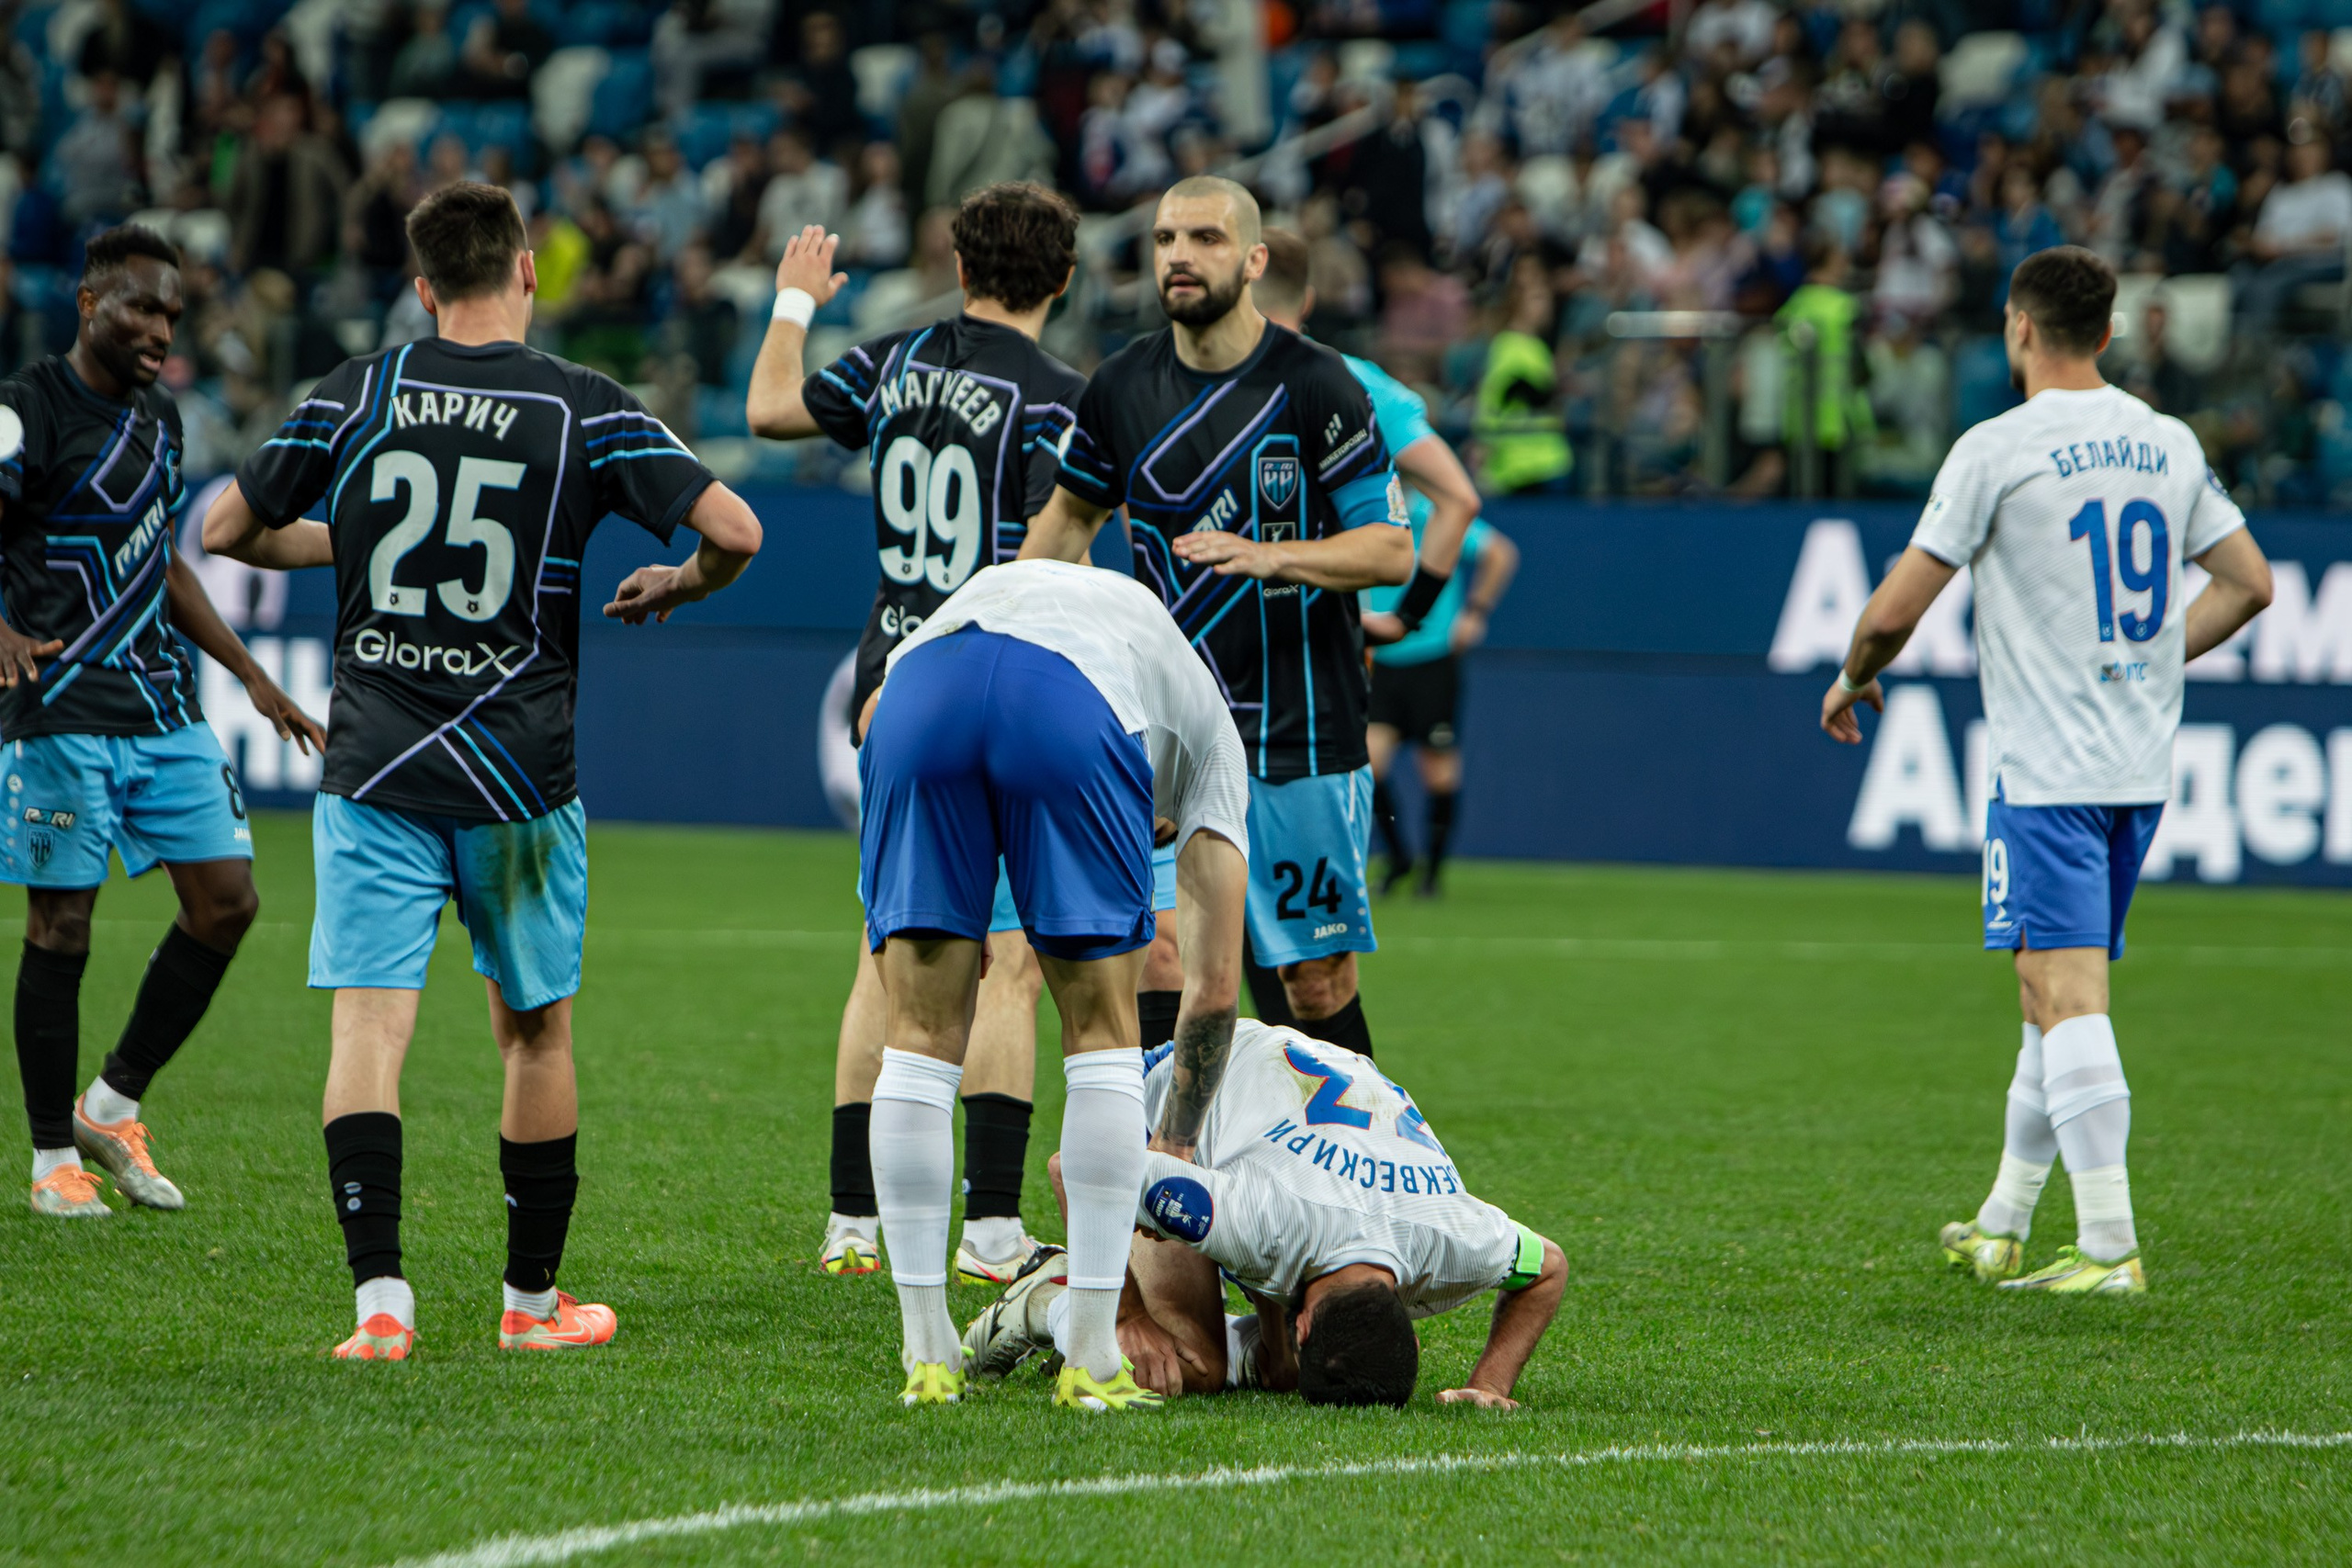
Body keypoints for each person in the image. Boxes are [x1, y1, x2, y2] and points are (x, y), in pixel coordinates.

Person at [202, 182, 763, 1359]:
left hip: (374, 767)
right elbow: (737, 532)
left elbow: (224, 531)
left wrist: (351, 540)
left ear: (421, 288)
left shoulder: (359, 390)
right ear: (527, 271)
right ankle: (530, 1306)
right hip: (519, 777)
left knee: (368, 1032)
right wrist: (680, 582)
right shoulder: (580, 403)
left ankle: (380, 1307)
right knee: (535, 1036)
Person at [1819, 246, 2273, 1295]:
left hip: (2049, 769)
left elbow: (1894, 610)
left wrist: (1853, 675)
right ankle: (2003, 1223)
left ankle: (2110, 1245)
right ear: (2107, 332)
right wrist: (2149, 656)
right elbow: (2248, 583)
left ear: (2018, 327)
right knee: (2044, 986)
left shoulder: (1999, 447)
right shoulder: (2166, 439)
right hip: (2136, 762)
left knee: (2065, 994)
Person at [743, 183, 1092, 1284]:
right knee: (1006, 965)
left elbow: (770, 412)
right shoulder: (1060, 400)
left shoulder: (893, 362)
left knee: (884, 955)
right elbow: (1051, 559)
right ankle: (989, 1231)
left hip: (890, 676)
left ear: (958, 265)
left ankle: (852, 1221)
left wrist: (794, 303)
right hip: (995, 678)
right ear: (1064, 277)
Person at [1023, 176, 1415, 1064]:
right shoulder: (1120, 386)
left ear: (1254, 258)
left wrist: (1274, 555)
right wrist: (998, 621)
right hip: (1172, 734)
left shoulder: (1316, 383)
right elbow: (1062, 530)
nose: (1180, 256)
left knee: (1313, 982)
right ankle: (1164, 1149)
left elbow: (1391, 550)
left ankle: (1341, 1143)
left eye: (1205, 238)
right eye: (1165, 239)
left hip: (1298, 732)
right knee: (1162, 956)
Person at [857, 557, 1251, 1411]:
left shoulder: (1121, 628)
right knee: (1102, 1031)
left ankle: (927, 1355)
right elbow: (1216, 987)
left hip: (915, 690)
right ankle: (1093, 1359)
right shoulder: (1216, 743)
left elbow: (874, 715)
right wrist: (1174, 1147)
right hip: (1068, 701)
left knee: (917, 1039)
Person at [0, 224, 324, 1220]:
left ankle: (110, 1105)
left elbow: (163, 561)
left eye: (173, 314)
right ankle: (53, 1156)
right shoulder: (24, 407)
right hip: (59, 704)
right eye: (142, 308)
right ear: (90, 303)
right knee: (62, 924)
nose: (161, 330)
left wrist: (251, 673)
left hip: (160, 705)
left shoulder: (162, 417)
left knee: (228, 901)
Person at [959, 1019, 1566, 1408]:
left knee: (1270, 1365)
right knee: (1189, 1366)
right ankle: (1049, 1295)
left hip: (1291, 1101)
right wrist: (1127, 1314)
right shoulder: (1259, 1219)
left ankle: (1259, 1354)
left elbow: (1548, 1267)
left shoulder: (1456, 1238)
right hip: (1185, 1086)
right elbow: (1080, 1168)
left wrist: (1489, 1385)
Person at [1249, 230, 1509, 903]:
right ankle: (1390, 875)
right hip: (1315, 663)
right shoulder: (1359, 383)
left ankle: (1422, 871)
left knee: (1184, 922)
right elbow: (1460, 499)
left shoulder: (1165, 383)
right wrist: (1405, 617)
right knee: (1309, 933)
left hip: (1210, 655)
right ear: (1308, 299)